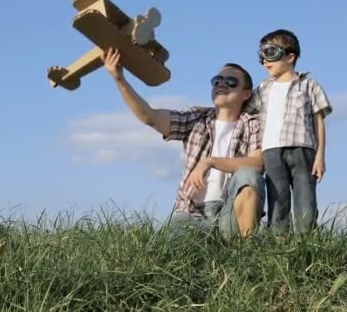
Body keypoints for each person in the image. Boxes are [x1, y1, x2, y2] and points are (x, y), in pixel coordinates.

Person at [100, 48, 265, 239]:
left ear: (245, 94)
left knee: (249, 174)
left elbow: (257, 164)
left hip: (230, 214)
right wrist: (119, 79)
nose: (221, 85)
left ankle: (245, 253)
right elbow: (150, 116)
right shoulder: (195, 120)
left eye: (231, 82)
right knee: (171, 249)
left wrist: (208, 161)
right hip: (192, 213)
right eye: (216, 81)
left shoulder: (253, 125)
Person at [249, 29, 333, 234]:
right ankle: (279, 245)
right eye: (261, 54)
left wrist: (320, 155)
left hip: (302, 149)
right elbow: (243, 110)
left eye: (270, 53)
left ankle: (306, 243)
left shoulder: (309, 86)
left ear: (290, 56)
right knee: (277, 201)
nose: (264, 60)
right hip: (271, 151)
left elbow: (318, 122)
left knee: (306, 200)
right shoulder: (263, 88)